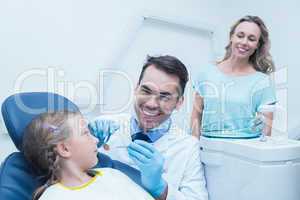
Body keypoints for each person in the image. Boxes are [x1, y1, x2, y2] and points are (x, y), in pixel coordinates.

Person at [89, 55, 208, 200]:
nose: (152, 104)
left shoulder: (188, 148)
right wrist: (86, 150)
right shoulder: (102, 127)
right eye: (146, 91)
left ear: (179, 103)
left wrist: (159, 187)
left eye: (165, 96)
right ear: (136, 89)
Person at [22, 111, 155, 200]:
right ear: (64, 149)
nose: (96, 140)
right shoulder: (54, 197)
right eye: (86, 133)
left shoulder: (112, 174)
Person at [190, 15, 276, 139]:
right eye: (240, 36)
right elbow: (196, 115)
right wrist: (194, 146)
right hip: (208, 149)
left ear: (257, 45)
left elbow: (266, 132)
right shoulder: (206, 73)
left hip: (244, 152)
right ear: (231, 37)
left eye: (251, 39)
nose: (244, 42)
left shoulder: (263, 82)